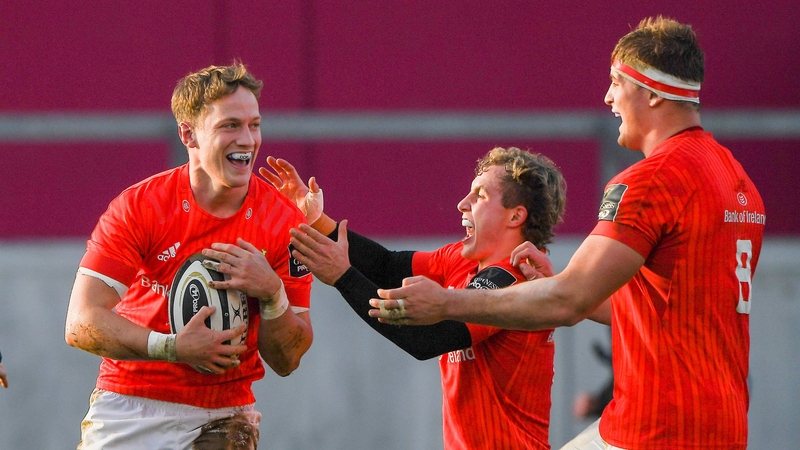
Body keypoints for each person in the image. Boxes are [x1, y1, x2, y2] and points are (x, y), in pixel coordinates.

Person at [370, 16, 766, 450]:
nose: (608, 96)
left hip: (655, 429)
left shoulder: (653, 179)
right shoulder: (735, 177)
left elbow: (567, 300)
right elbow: (661, 310)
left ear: (652, 94)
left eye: (617, 81)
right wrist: (557, 284)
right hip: (722, 424)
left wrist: (447, 301)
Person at [64, 62, 314, 449]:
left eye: (255, 124)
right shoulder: (140, 207)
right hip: (130, 405)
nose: (247, 139)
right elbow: (81, 323)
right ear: (188, 134)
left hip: (224, 414)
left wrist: (273, 293)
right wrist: (172, 347)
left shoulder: (286, 222)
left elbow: (288, 360)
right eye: (230, 125)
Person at [261, 147, 567, 449]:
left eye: (480, 195)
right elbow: (386, 266)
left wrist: (343, 277)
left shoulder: (517, 278)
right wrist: (317, 220)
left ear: (515, 216)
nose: (463, 204)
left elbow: (427, 340)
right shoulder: (461, 260)